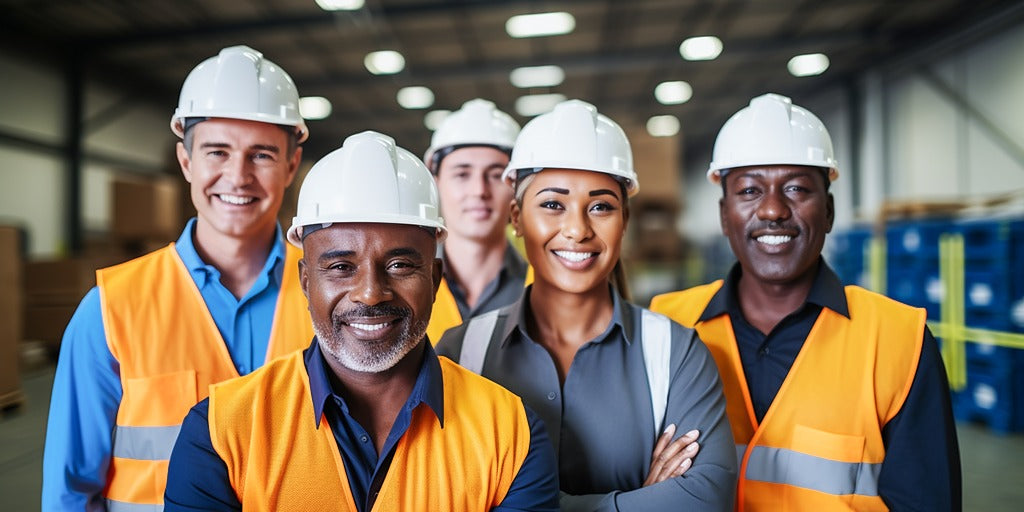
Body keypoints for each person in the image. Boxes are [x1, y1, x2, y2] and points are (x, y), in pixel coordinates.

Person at [163, 131, 560, 511]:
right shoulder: (219, 432)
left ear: (435, 280)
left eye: (400, 265)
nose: (370, 293)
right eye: (340, 266)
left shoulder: (512, 434)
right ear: (305, 281)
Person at [650, 93, 962, 511]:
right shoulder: (666, 323)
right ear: (725, 215)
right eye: (749, 190)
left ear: (828, 211)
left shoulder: (897, 340)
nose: (774, 209)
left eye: (796, 188)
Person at [42, 45, 315, 510]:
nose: (238, 176)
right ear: (186, 161)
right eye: (217, 151)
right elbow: (69, 489)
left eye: (262, 155)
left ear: (291, 165)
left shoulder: (334, 296)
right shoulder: (111, 308)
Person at [437, 100, 737, 511]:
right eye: (552, 205)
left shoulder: (675, 352)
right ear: (516, 218)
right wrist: (639, 501)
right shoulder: (460, 352)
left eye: (601, 206)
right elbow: (439, 495)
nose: (577, 229)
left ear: (624, 220)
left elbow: (705, 500)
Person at [423, 99, 529, 343]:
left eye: (495, 175)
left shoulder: (542, 290)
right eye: (462, 174)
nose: (479, 190)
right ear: (436, 182)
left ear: (516, 188)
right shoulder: (401, 287)